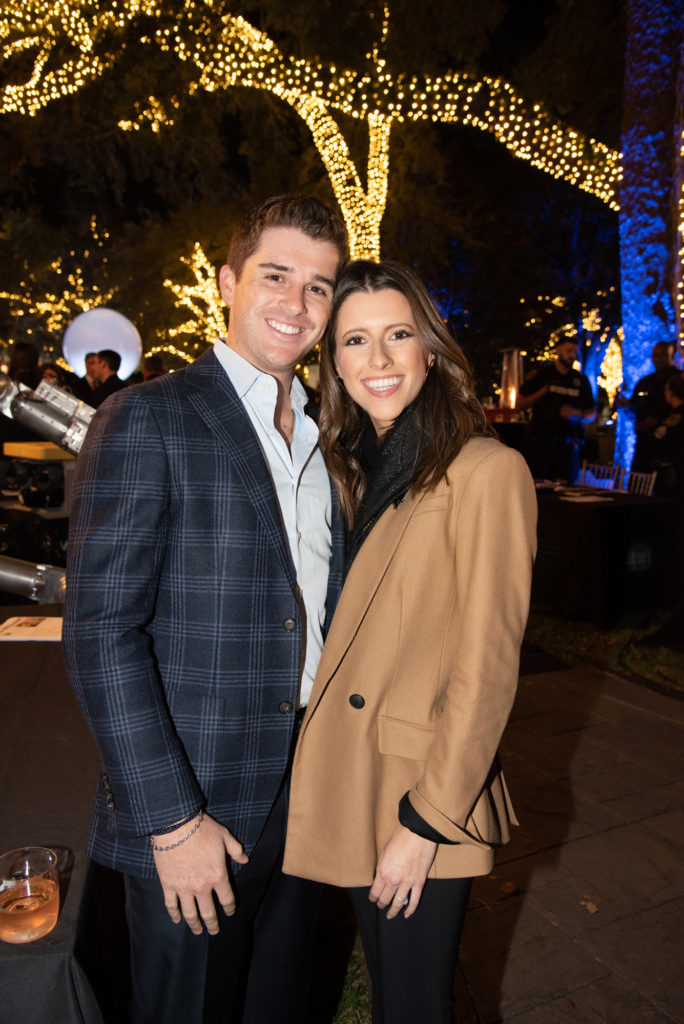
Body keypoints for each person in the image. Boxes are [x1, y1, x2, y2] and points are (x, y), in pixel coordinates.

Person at [63, 194, 349, 1024]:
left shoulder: (326, 433)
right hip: (196, 807)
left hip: (306, 791)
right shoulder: (149, 415)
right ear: (227, 282)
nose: (297, 304)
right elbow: (100, 634)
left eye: (320, 287)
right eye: (276, 276)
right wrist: (172, 821)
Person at [283, 260, 537, 1024]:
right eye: (355, 340)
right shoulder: (355, 471)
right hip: (359, 773)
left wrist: (427, 821)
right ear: (333, 363)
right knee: (394, 995)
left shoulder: (486, 471)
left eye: (398, 335)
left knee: (417, 1003)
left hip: (421, 788)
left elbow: (487, 663)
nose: (380, 360)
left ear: (431, 348)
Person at [517, 338, 595, 481]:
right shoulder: (542, 374)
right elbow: (519, 404)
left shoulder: (580, 379)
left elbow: (592, 414)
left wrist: (575, 414)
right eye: (569, 351)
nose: (572, 355)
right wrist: (543, 392)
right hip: (541, 443)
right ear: (558, 350)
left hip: (568, 445)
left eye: (575, 352)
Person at [617, 341, 678, 471]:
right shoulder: (645, 382)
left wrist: (658, 421)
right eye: (656, 355)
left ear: (672, 356)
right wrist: (626, 406)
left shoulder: (679, 380)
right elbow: (634, 408)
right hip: (644, 446)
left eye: (663, 355)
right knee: (637, 486)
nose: (659, 359)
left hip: (671, 448)